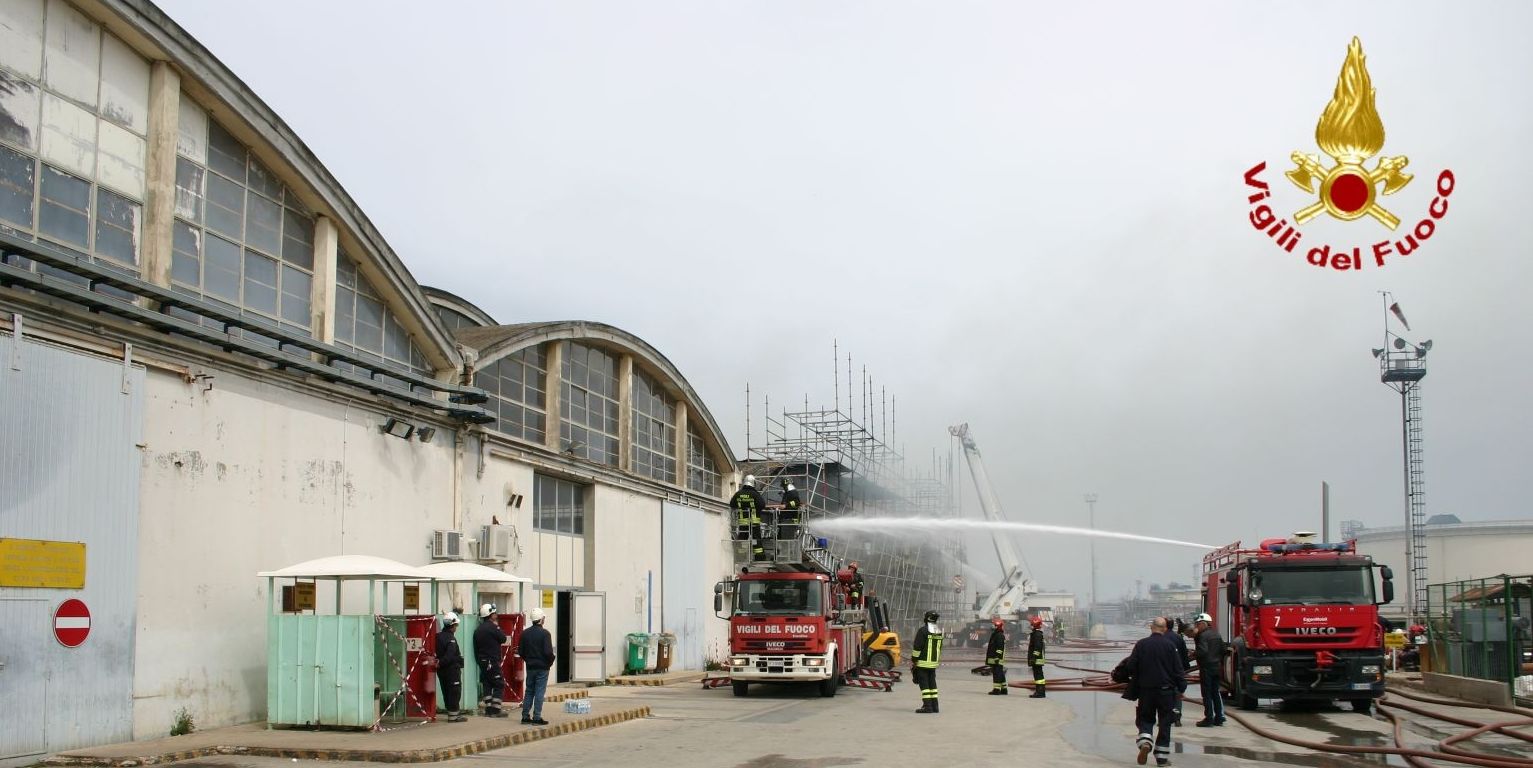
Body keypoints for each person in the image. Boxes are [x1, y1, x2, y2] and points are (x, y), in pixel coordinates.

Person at [1122, 617, 1187, 767]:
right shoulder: (1170, 646)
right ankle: (1162, 758)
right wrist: (1181, 687)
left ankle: (1145, 741)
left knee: (1146, 718)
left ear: (1151, 627)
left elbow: (1131, 666)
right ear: (1164, 629)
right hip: (1166, 691)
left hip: (1146, 690)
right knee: (1165, 723)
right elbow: (1178, 670)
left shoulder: (1142, 644)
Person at [517, 607, 555, 726]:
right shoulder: (545, 634)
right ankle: (537, 717)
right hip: (542, 667)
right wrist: (550, 662)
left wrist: (528, 660)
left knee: (529, 691)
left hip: (530, 666)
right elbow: (548, 652)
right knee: (539, 691)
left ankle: (525, 716)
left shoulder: (525, 633)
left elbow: (521, 651)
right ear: (541, 619)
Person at [473, 604, 509, 718]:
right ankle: (495, 709)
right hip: (492, 661)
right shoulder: (493, 627)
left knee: (487, 683)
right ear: (490, 615)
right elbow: (503, 638)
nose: (496, 615)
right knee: (499, 683)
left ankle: (488, 708)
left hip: (482, 661)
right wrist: (497, 627)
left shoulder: (478, 630)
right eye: (494, 613)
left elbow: (476, 648)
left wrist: (479, 661)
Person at [1192, 612, 1227, 727]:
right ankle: (1219, 718)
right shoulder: (1216, 634)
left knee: (1206, 693)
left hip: (1206, 668)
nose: (1196, 627)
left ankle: (1209, 718)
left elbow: (1203, 651)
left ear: (1203, 624)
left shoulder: (1202, 636)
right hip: (1216, 667)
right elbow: (1223, 650)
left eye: (1198, 624)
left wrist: (1194, 654)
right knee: (1215, 693)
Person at [435, 612, 467, 722]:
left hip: (442, 671)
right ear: (452, 625)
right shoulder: (450, 639)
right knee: (454, 691)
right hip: (451, 670)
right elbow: (450, 655)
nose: (456, 628)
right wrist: (441, 662)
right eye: (456, 625)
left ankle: (452, 713)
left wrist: (439, 664)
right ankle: (453, 716)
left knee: (446, 691)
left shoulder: (438, 636)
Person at [911, 610, 944, 713]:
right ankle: (935, 706)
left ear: (927, 618)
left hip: (923, 663)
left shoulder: (923, 631)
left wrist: (914, 660)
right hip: (933, 664)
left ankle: (927, 707)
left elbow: (917, 648)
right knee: (932, 685)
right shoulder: (939, 631)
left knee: (924, 686)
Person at [731, 475, 766, 561]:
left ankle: (740, 556)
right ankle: (759, 557)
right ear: (753, 483)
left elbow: (732, 504)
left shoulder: (738, 494)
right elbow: (762, 505)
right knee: (756, 539)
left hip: (743, 522)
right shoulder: (755, 494)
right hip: (754, 521)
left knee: (742, 538)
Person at [1165, 617, 1191, 724]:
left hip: (1165, 671)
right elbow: (1184, 654)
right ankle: (1177, 717)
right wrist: (1185, 669)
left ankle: (1165, 717)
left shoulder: (1162, 638)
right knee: (1177, 694)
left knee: (1165, 694)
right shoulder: (1178, 638)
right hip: (1177, 670)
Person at [985, 618, 1008, 695]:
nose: (992, 626)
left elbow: (999, 648)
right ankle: (1004, 689)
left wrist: (997, 657)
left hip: (997, 658)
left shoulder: (999, 635)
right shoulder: (996, 634)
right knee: (1000, 673)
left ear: (997, 626)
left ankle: (996, 689)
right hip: (996, 658)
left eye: (994, 625)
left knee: (997, 674)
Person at [1027, 615, 1048, 698]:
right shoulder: (1037, 634)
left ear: (1034, 625)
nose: (1030, 626)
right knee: (1038, 675)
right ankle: (1040, 691)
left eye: (1031, 624)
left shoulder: (1037, 634)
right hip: (1038, 658)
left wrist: (1034, 657)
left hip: (1037, 659)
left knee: (1038, 675)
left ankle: (1040, 692)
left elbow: (1037, 647)